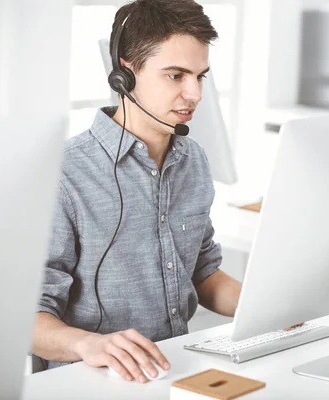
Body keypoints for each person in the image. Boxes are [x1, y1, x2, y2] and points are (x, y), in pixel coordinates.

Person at [31, 0, 242, 383]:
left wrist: (273, 303)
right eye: (176, 76)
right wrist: (87, 344)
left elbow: (204, 275)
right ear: (124, 75)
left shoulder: (192, 160)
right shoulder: (64, 174)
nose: (194, 94)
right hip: (87, 383)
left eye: (200, 76)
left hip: (174, 374)